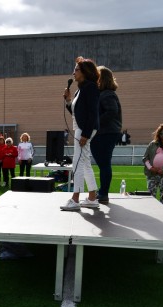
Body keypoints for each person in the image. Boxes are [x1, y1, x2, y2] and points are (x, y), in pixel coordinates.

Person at [61, 56, 100, 211]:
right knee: (84, 163)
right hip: (81, 127)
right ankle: (92, 197)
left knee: (77, 164)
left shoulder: (90, 88)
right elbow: (76, 113)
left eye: (76, 69)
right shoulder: (80, 89)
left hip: (84, 129)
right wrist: (69, 101)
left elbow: (92, 113)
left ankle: (75, 199)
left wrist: (85, 134)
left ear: (85, 72)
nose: (73, 73)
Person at [90, 66, 122, 204]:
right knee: (103, 163)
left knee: (104, 164)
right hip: (106, 132)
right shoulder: (104, 93)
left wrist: (95, 123)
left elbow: (111, 111)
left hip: (106, 133)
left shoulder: (107, 94)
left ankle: (103, 193)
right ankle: (103, 192)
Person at [142, 124, 163, 199]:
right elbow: (145, 157)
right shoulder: (152, 144)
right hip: (152, 174)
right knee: (150, 197)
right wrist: (150, 168)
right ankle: (150, 210)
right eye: (161, 133)